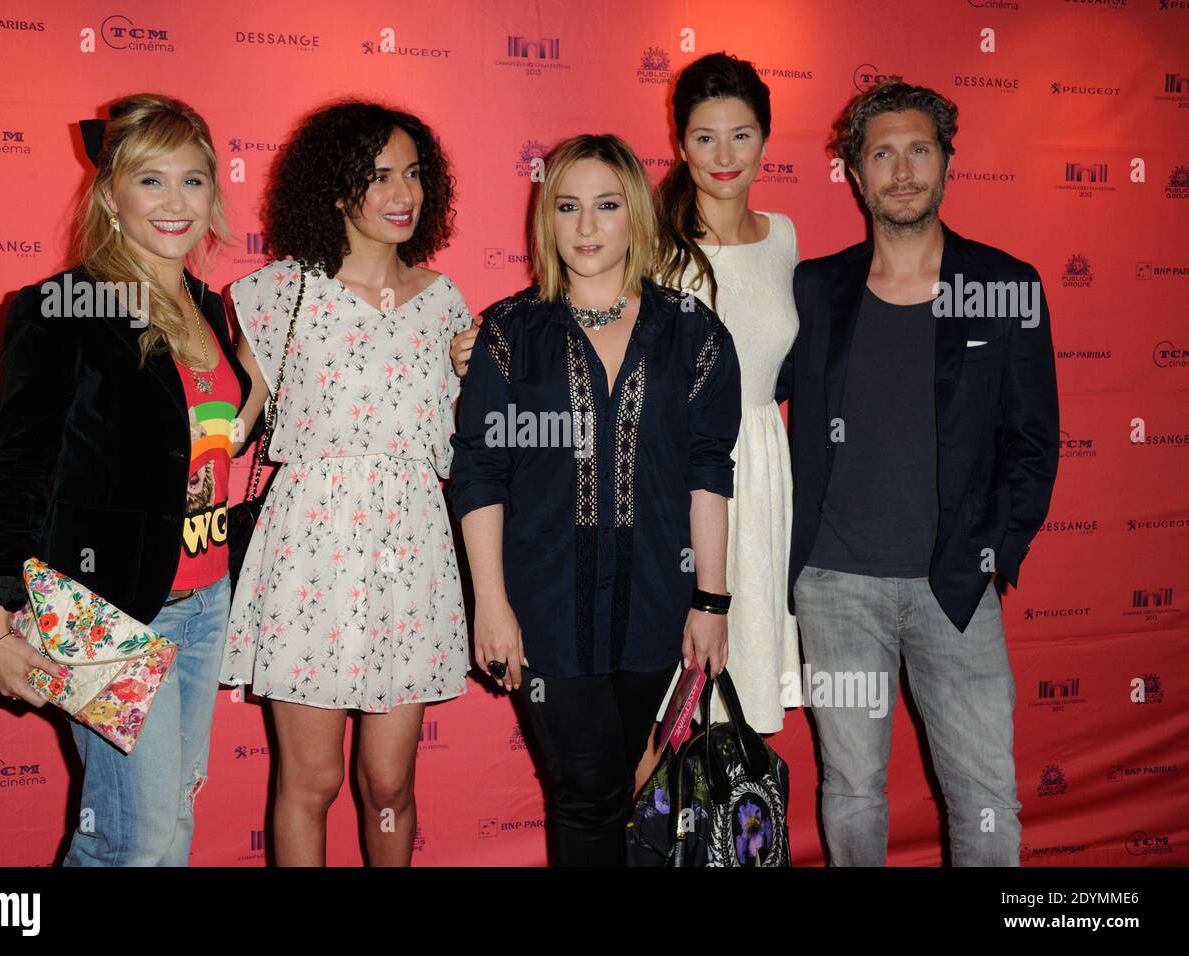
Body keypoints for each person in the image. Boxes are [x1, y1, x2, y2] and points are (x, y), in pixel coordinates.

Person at [0, 93, 265, 866]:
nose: (175, 203)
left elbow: (202, 442)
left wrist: (256, 390)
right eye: (150, 180)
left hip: (206, 599)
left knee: (172, 829)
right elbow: (12, 467)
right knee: (128, 844)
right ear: (109, 194)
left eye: (193, 181)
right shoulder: (63, 308)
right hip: (108, 608)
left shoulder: (207, 307)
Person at [779, 82, 1059, 866]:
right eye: (882, 154)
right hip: (834, 590)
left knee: (985, 797)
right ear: (855, 175)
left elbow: (1035, 440)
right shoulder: (816, 289)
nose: (902, 171)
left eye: (920, 151)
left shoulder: (1007, 286)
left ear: (946, 164)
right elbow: (734, 380)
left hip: (956, 592)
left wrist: (995, 551)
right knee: (853, 788)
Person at [449, 134, 741, 866]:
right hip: (544, 603)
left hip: (653, 601)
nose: (586, 227)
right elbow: (480, 471)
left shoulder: (692, 331)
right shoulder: (511, 333)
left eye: (606, 206)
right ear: (546, 220)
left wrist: (712, 601)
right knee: (583, 792)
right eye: (568, 207)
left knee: (621, 781)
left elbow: (709, 468)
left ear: (635, 216)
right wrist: (491, 602)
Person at [220, 101, 471, 867]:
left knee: (389, 780)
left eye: (414, 174)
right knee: (313, 779)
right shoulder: (280, 295)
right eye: (378, 176)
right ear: (335, 191)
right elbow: (227, 428)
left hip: (413, 557)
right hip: (309, 558)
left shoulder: (447, 305)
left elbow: (471, 453)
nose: (404, 193)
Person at [655, 51, 801, 734]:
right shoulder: (654, 245)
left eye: (740, 135)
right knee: (668, 708)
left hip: (765, 477)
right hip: (681, 479)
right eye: (703, 137)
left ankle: (718, 845)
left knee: (735, 707)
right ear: (680, 142)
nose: (723, 154)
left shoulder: (785, 237)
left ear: (765, 140)